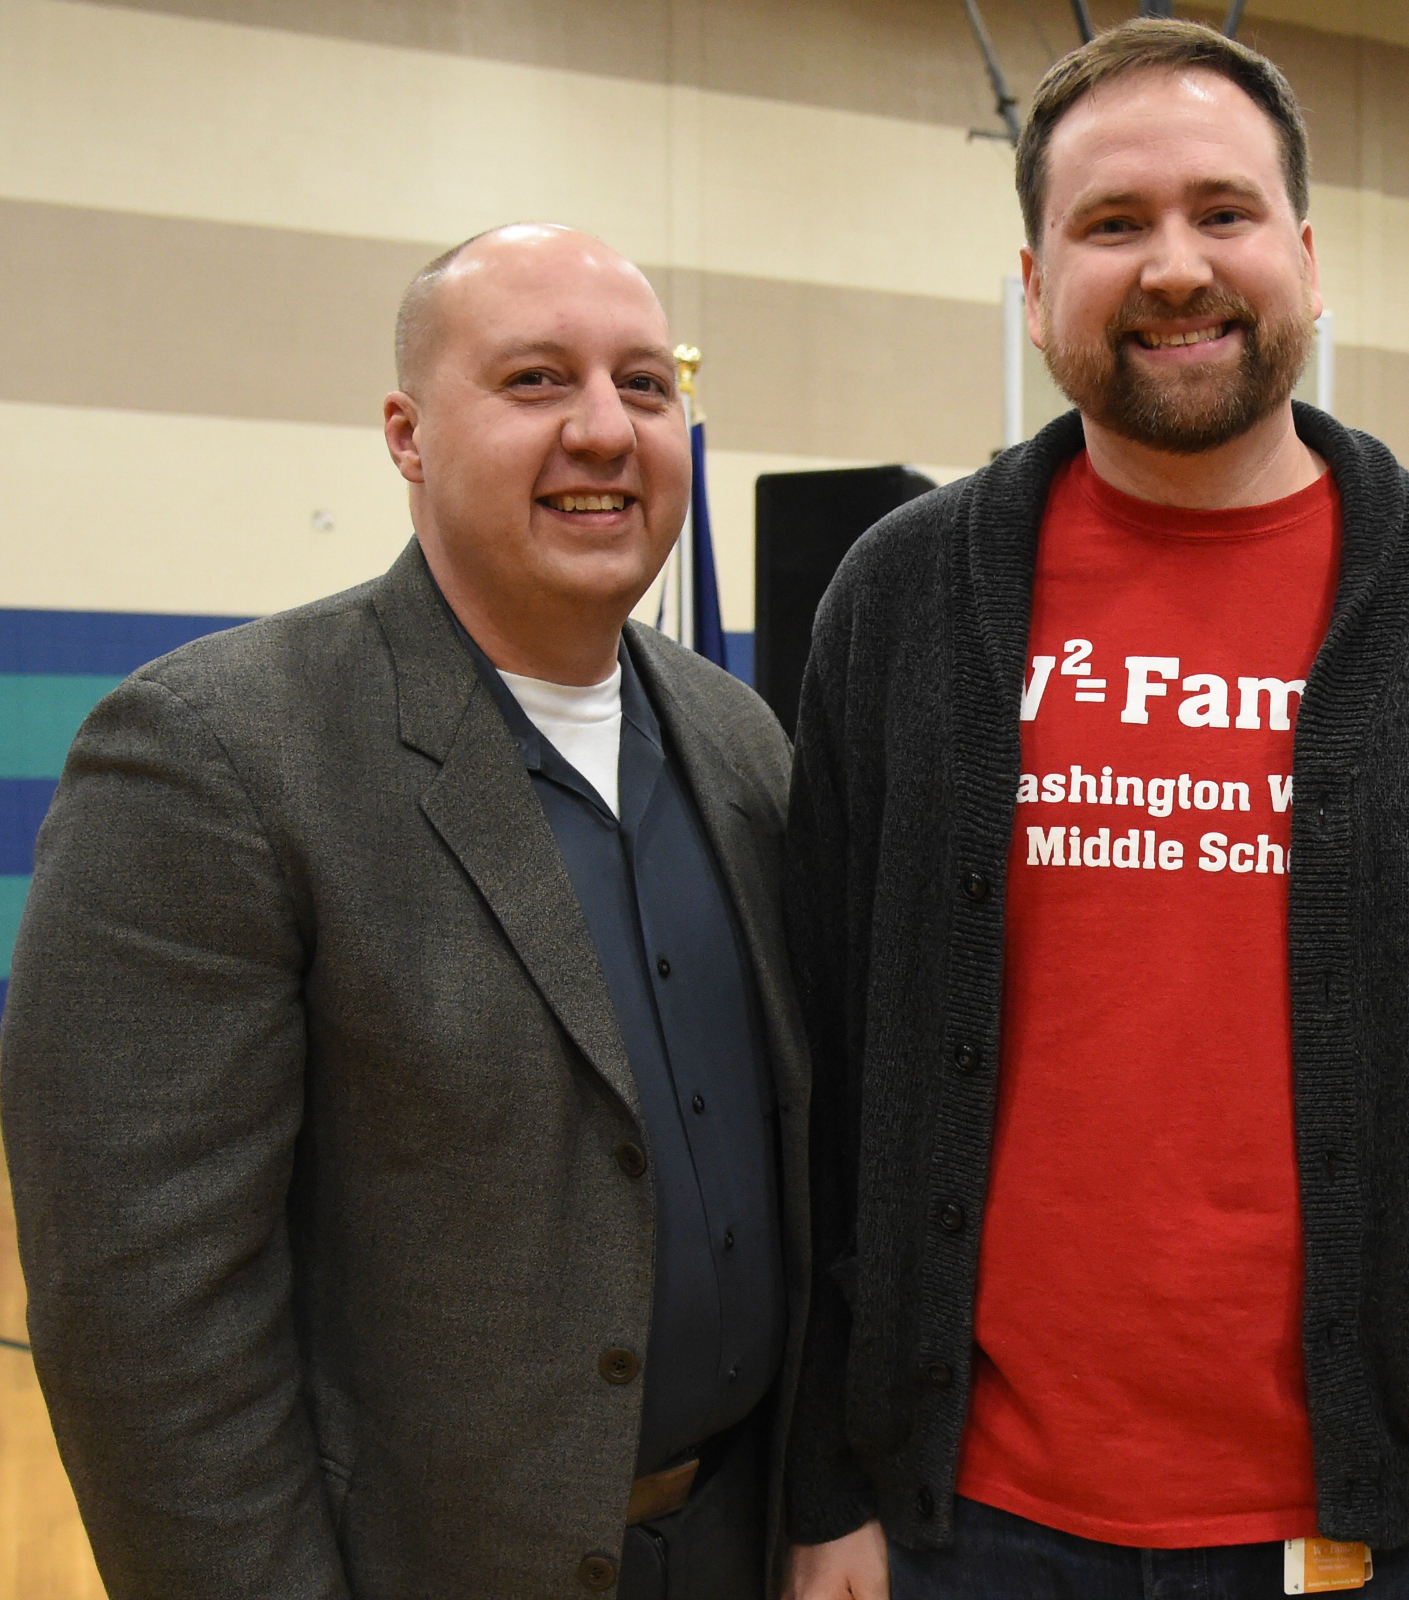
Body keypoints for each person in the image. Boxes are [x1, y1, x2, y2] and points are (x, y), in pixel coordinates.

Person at [782, 20, 1409, 1600]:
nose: (1174, 267)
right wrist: (825, 1488)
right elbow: (824, 1069)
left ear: (1307, 256)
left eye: (1224, 211)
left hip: (1389, 1526)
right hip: (968, 1526)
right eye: (1112, 223)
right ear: (1035, 287)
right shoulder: (900, 600)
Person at [1, 223, 808, 1600]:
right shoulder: (215, 756)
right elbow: (148, 1323)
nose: (604, 430)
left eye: (643, 385)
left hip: (746, 1543)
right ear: (407, 435)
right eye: (536, 380)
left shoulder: (742, 740)